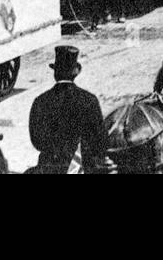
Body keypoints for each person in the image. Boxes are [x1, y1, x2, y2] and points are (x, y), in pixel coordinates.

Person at [27, 45, 107, 174]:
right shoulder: (89, 100)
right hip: (80, 166)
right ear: (75, 73)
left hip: (48, 168)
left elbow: (36, 141)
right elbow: (101, 141)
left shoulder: (41, 100)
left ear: (55, 73)